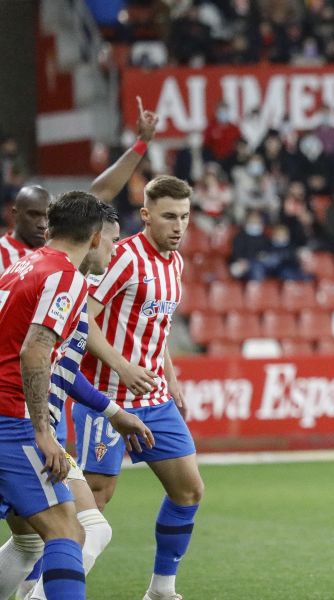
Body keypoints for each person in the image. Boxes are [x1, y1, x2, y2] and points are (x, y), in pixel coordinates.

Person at [0, 202, 155, 600]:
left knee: (36, 541)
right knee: (69, 531)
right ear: (95, 238)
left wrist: (113, 411)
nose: (115, 251)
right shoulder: (64, 278)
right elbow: (35, 352)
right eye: (114, 242)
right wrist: (42, 432)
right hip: (12, 420)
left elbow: (60, 365)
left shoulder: (24, 266)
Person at [75, 175, 203, 600]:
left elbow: (156, 325)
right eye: (169, 217)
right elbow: (84, 319)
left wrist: (169, 371)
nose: (179, 226)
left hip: (154, 398)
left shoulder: (176, 263)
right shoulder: (124, 257)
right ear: (146, 215)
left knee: (188, 490)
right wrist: (121, 364)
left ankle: (161, 590)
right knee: (96, 499)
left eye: (185, 216)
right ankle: (47, 585)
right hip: (106, 396)